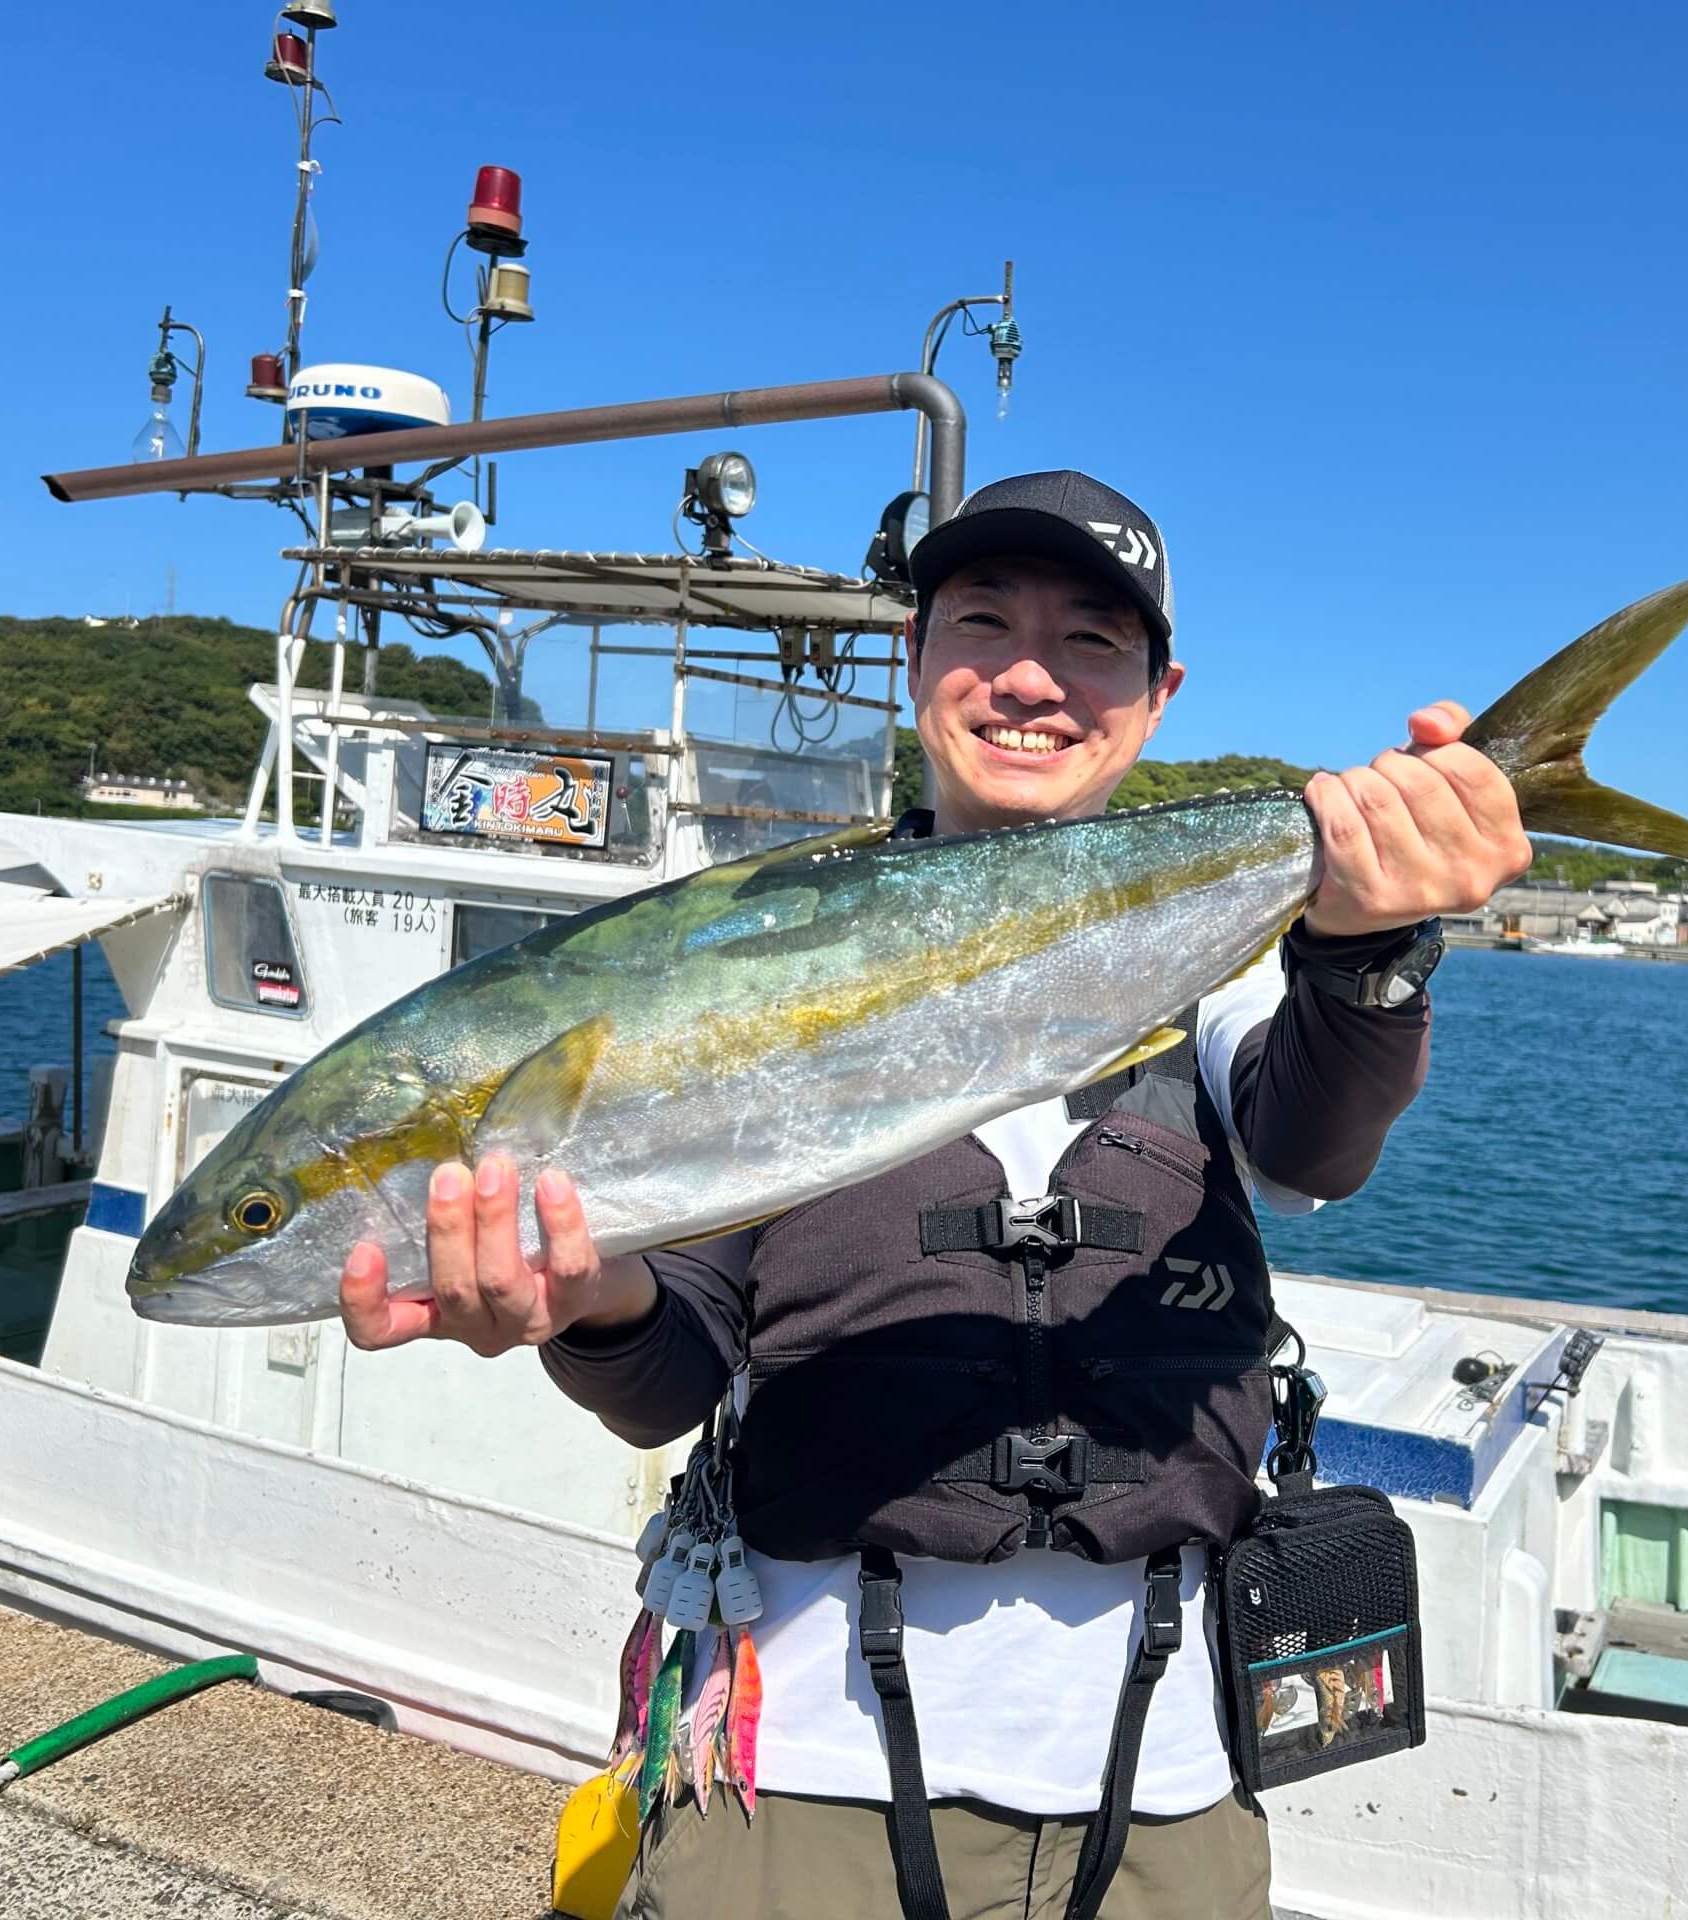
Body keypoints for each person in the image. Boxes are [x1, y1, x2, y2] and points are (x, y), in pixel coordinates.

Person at [337, 471, 1531, 1919]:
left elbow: (1316, 1137)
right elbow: (667, 1374)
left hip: (1159, 1798)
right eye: (980, 623)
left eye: (1094, 643)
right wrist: (585, 1298)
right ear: (914, 666)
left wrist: (1371, 943)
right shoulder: (759, 978)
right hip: (797, 1796)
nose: (1030, 677)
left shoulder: (1205, 974)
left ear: (1160, 696)